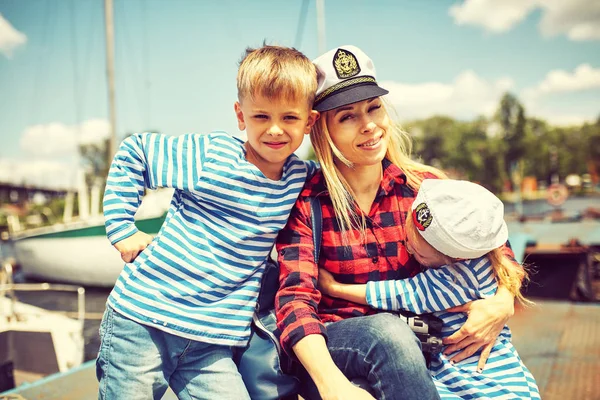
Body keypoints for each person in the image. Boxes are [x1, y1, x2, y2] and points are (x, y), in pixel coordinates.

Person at [275, 45, 522, 400]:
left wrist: (503, 300)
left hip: (422, 349)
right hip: (340, 345)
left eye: (373, 108)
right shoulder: (307, 204)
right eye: (347, 117)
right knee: (389, 334)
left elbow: (492, 245)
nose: (370, 125)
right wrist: (332, 386)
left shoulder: (424, 187)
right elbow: (295, 300)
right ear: (321, 127)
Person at [96, 44, 319, 400]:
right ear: (240, 115)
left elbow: (345, 185)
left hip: (211, 342)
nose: (275, 130)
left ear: (309, 121)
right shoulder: (212, 155)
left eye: (289, 118)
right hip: (142, 320)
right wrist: (123, 229)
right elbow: (134, 152)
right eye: (261, 116)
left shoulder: (300, 178)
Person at [318, 179, 540, 399]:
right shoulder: (485, 259)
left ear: (455, 257)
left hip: (476, 382)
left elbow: (401, 293)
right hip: (504, 373)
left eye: (420, 254)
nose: (410, 251)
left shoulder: (454, 280)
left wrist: (334, 288)